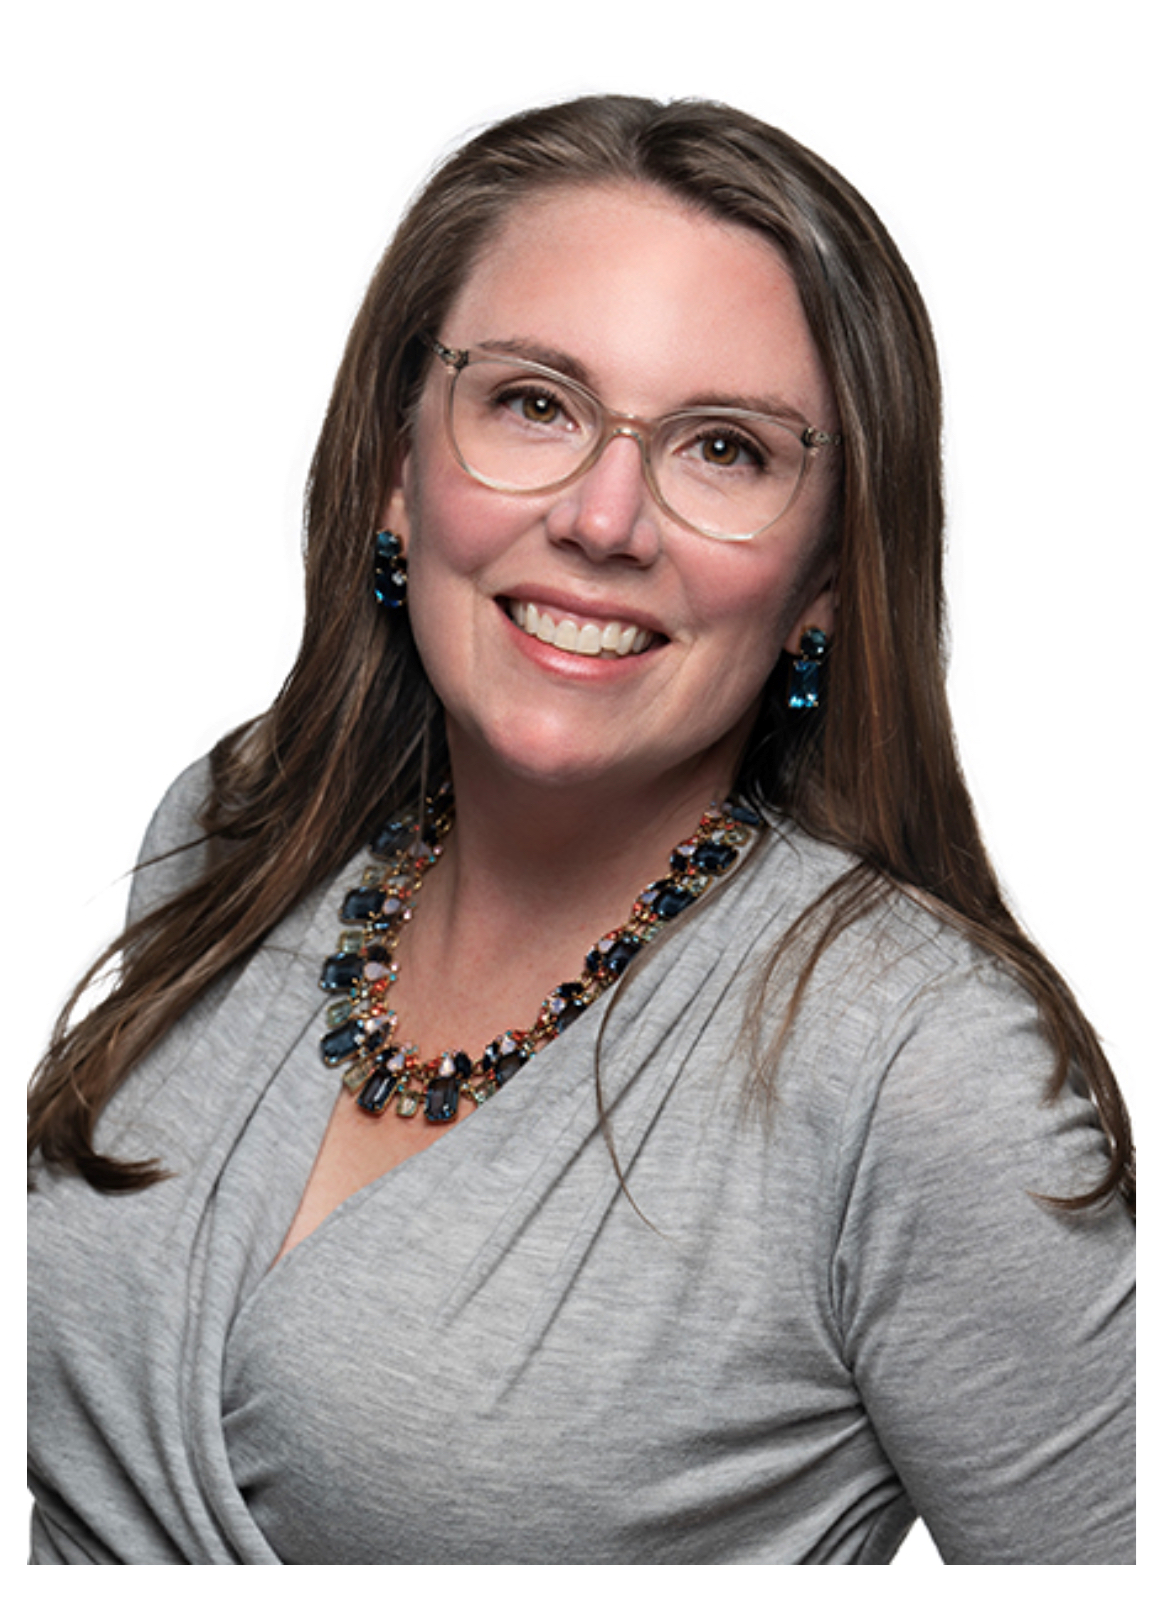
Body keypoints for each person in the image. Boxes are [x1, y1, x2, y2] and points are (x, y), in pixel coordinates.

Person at [26, 95, 1135, 1566]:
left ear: (822, 580)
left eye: (724, 448)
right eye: (533, 404)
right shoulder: (243, 826)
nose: (607, 518)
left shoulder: (924, 1072)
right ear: (395, 470)